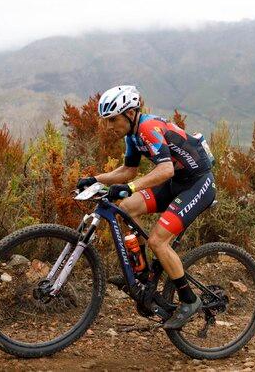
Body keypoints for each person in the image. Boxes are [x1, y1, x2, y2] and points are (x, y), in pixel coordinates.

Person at [76, 85, 216, 328]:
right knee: (127, 208)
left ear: (130, 113)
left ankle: (189, 300)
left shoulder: (148, 128)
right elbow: (128, 170)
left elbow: (165, 169)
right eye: (106, 120)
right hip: (176, 182)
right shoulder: (132, 135)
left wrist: (130, 187)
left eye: (113, 119)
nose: (108, 126)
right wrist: (95, 179)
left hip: (197, 184)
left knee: (158, 241)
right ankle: (141, 272)